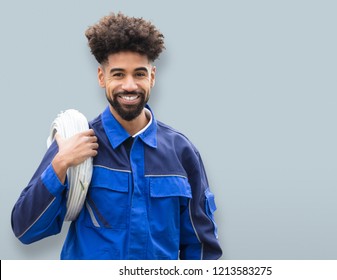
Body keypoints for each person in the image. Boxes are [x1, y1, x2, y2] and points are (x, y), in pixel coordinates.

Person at [11, 12, 222, 260]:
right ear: (102, 77)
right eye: (118, 74)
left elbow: (201, 248)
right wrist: (60, 163)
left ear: (152, 77)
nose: (129, 85)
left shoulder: (181, 152)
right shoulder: (74, 143)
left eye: (139, 74)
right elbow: (25, 229)